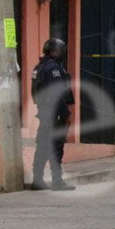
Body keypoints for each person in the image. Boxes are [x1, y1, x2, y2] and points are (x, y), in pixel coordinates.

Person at [31, 38, 76, 191]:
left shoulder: (40, 67)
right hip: (54, 113)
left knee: (42, 145)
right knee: (56, 146)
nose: (63, 52)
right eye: (61, 49)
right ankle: (57, 181)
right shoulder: (53, 69)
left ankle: (37, 180)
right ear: (54, 50)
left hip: (44, 112)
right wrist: (64, 114)